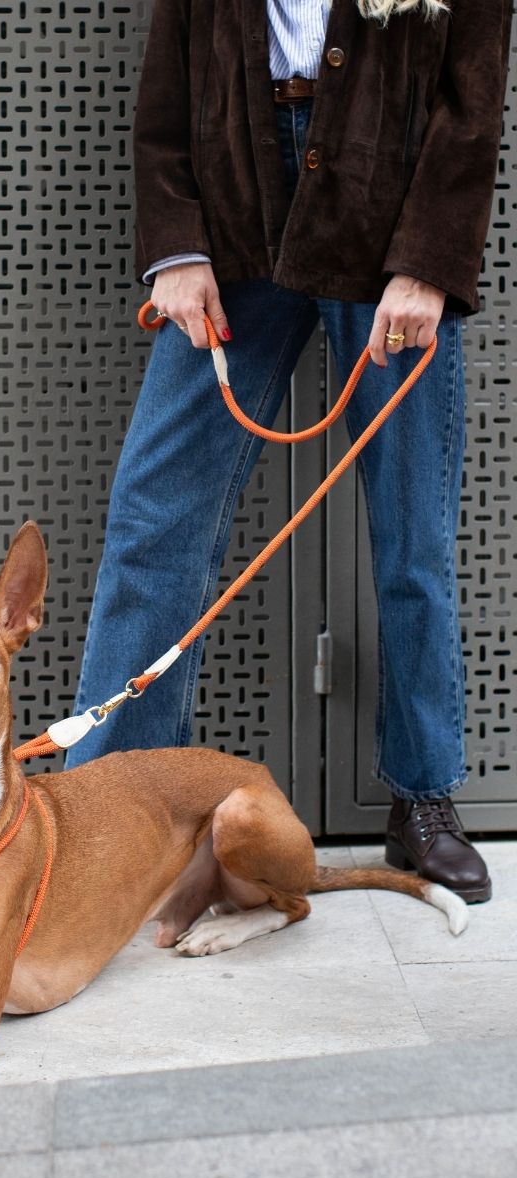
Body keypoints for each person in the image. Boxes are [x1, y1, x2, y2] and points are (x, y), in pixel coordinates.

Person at [66, 0, 512, 903]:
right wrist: (176, 246)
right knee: (156, 520)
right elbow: (168, 84)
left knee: (414, 533)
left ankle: (423, 796)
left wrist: (428, 263)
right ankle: (112, 812)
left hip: (385, 213)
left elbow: (471, 104)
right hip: (239, 205)